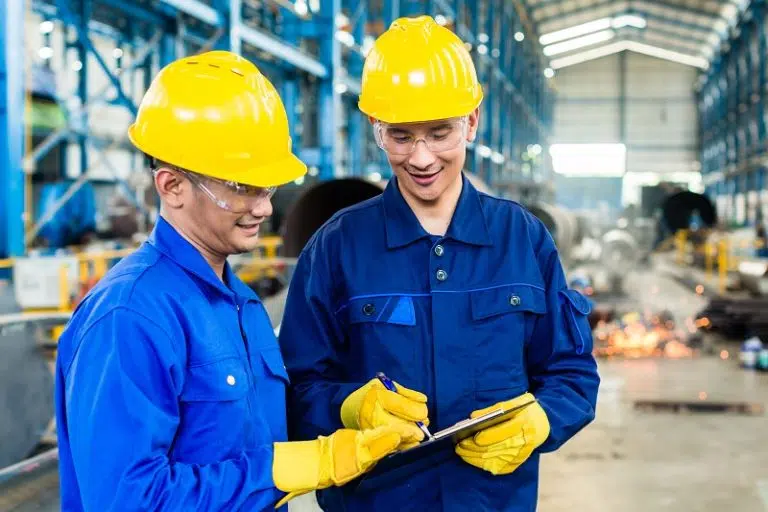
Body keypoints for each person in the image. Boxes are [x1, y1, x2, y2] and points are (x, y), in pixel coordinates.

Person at [53, 50, 405, 511]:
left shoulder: (240, 304)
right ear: (171, 186)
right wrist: (276, 472)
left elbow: (254, 428)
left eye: (267, 188)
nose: (263, 208)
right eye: (241, 188)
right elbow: (127, 499)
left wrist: (346, 408)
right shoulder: (131, 317)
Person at [278, 17, 601, 511]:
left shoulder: (523, 240)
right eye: (401, 137)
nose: (422, 158)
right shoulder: (336, 247)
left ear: (472, 121)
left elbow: (571, 373)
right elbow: (296, 388)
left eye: (440, 132)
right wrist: (348, 406)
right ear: (376, 129)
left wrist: (542, 419)